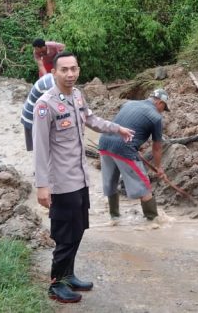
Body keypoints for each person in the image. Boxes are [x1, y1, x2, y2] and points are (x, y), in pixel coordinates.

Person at [33, 51, 133, 303]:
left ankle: (68, 275)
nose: (70, 74)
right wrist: (42, 186)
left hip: (80, 179)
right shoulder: (45, 105)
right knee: (65, 235)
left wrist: (117, 128)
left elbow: (91, 119)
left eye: (74, 69)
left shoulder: (77, 95)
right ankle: (56, 284)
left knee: (78, 230)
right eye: (64, 69)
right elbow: (41, 148)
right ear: (54, 72)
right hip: (61, 183)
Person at [98, 88, 170, 224]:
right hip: (124, 148)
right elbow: (157, 147)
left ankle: (114, 218)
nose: (162, 112)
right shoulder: (156, 117)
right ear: (160, 103)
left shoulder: (129, 104)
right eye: (164, 108)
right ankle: (153, 221)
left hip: (104, 142)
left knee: (111, 183)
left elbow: (127, 123)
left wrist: (136, 145)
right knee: (144, 186)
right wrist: (159, 168)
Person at [19, 72, 54, 151]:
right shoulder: (50, 87)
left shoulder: (52, 78)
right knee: (42, 149)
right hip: (32, 118)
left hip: (33, 112)